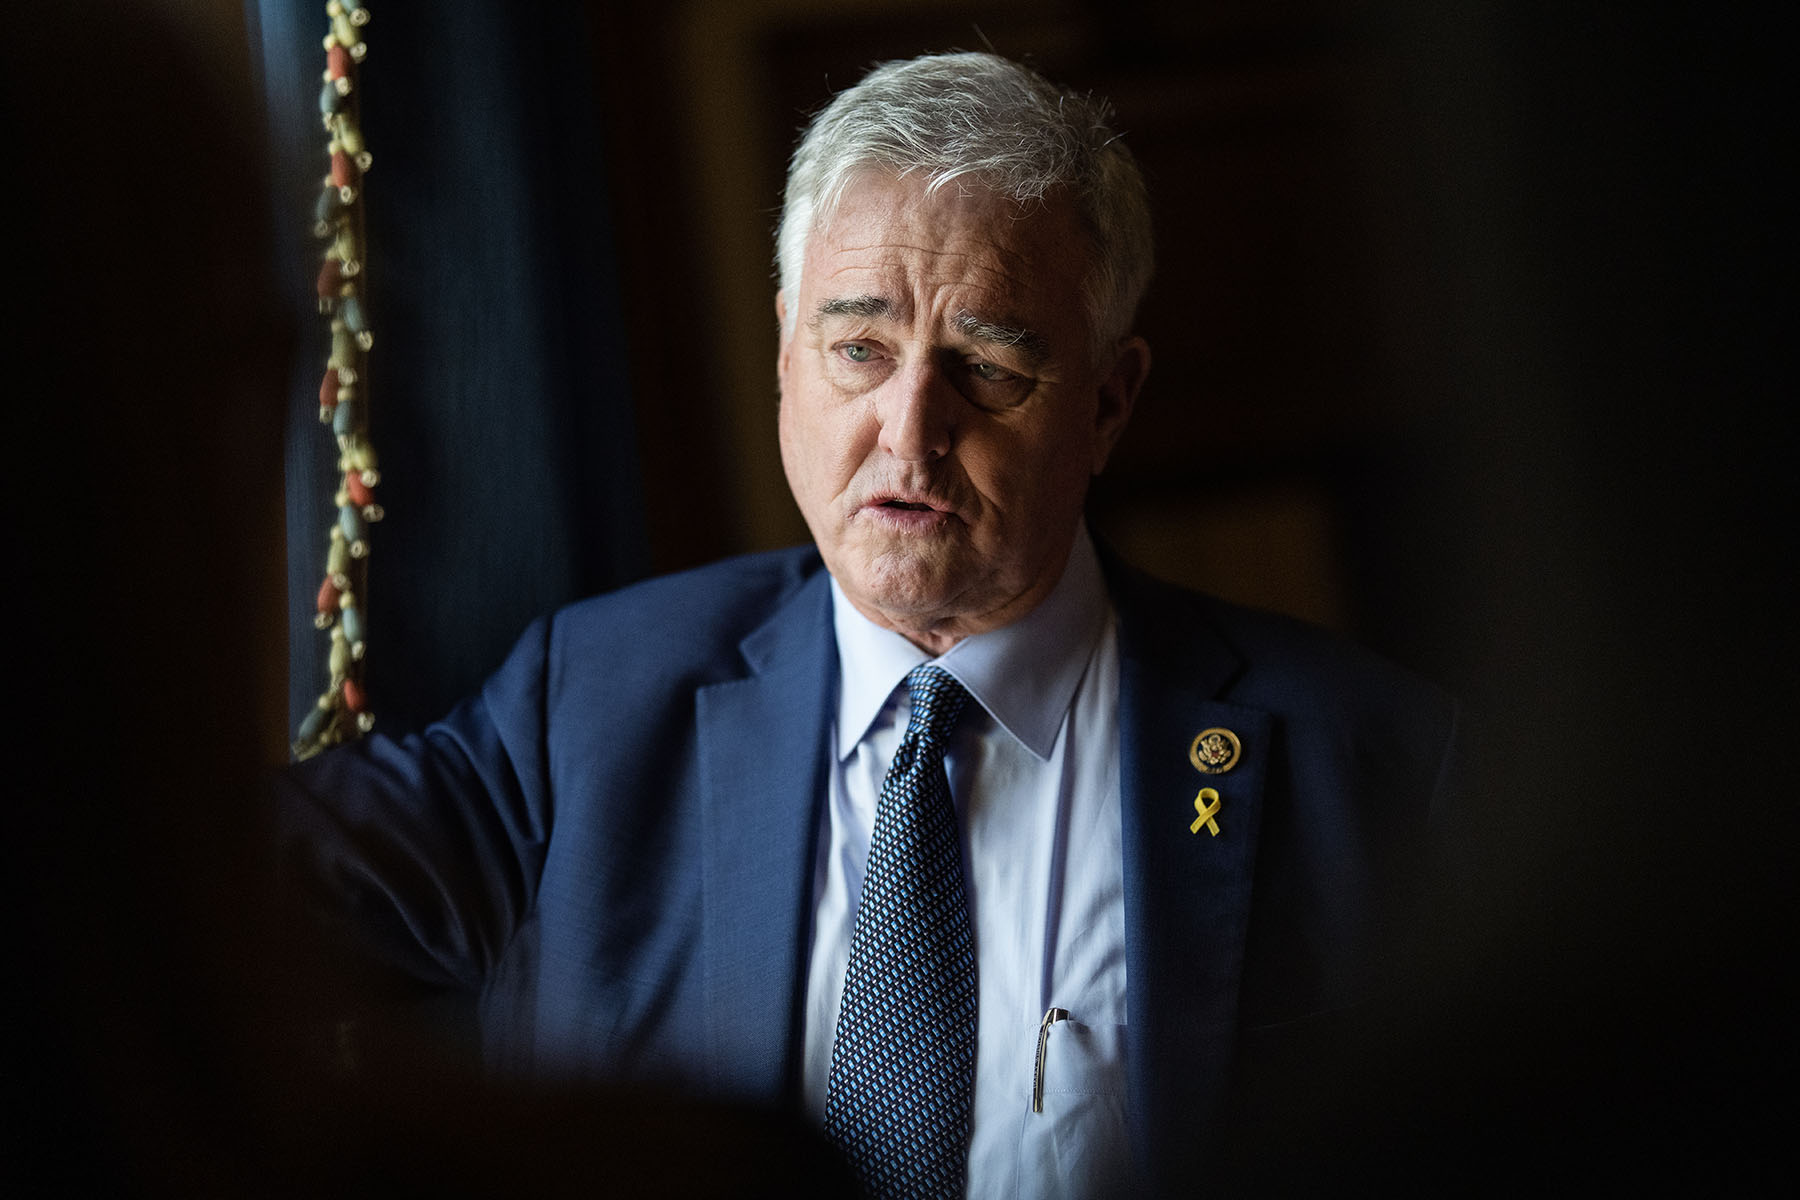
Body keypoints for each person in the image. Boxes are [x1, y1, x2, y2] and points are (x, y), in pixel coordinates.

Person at [277, 51, 1457, 1198]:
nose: (908, 432)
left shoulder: (1376, 768)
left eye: (987, 368)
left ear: (1107, 399)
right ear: (787, 352)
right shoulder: (586, 704)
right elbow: (211, 893)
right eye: (859, 350)